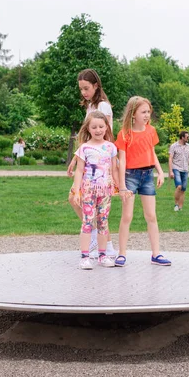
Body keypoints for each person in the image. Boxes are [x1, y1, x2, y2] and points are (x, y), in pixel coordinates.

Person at [114, 96, 169, 267]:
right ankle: (121, 254)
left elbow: (152, 153)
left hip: (147, 176)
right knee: (127, 216)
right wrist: (122, 185)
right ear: (133, 114)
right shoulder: (124, 134)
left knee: (151, 216)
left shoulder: (151, 131)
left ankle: (156, 254)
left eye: (148, 112)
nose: (147, 115)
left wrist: (160, 172)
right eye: (143, 112)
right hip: (130, 176)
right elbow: (121, 161)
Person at [67, 68, 117, 258]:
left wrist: (110, 165)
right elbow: (86, 138)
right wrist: (75, 159)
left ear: (96, 86)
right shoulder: (90, 106)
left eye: (86, 88)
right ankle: (99, 239)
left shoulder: (102, 106)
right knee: (78, 199)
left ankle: (106, 244)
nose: (83, 92)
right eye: (81, 89)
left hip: (100, 162)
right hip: (88, 158)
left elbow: (108, 135)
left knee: (99, 206)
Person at [71, 111, 118, 270]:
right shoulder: (84, 148)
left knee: (103, 223)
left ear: (106, 127)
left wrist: (119, 186)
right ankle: (84, 257)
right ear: (88, 129)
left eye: (101, 126)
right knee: (87, 222)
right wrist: (77, 191)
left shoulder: (111, 147)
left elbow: (114, 169)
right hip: (89, 191)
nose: (98, 130)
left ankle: (102, 255)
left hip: (105, 192)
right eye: (94, 127)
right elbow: (79, 171)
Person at [169, 131, 189, 212]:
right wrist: (170, 171)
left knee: (183, 189)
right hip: (176, 168)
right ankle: (176, 204)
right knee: (179, 187)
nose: (188, 138)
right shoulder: (174, 146)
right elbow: (170, 158)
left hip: (185, 169)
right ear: (182, 137)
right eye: (187, 137)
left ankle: (180, 208)